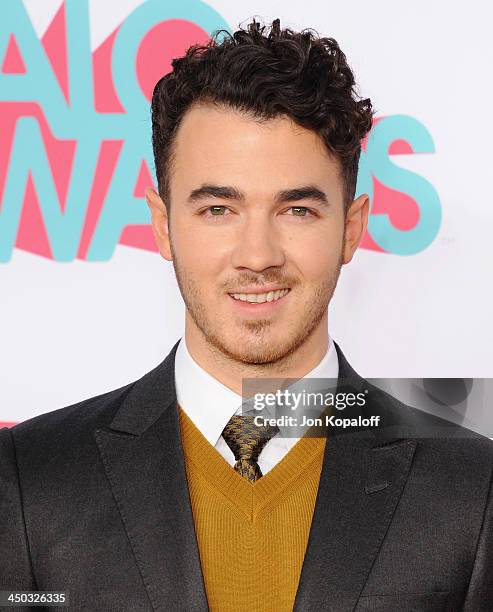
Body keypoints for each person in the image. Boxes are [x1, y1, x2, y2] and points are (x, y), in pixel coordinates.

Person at [1, 18, 492, 612]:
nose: (258, 255)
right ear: (162, 225)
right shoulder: (30, 480)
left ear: (352, 228)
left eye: (297, 211)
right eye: (218, 210)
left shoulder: (471, 489)